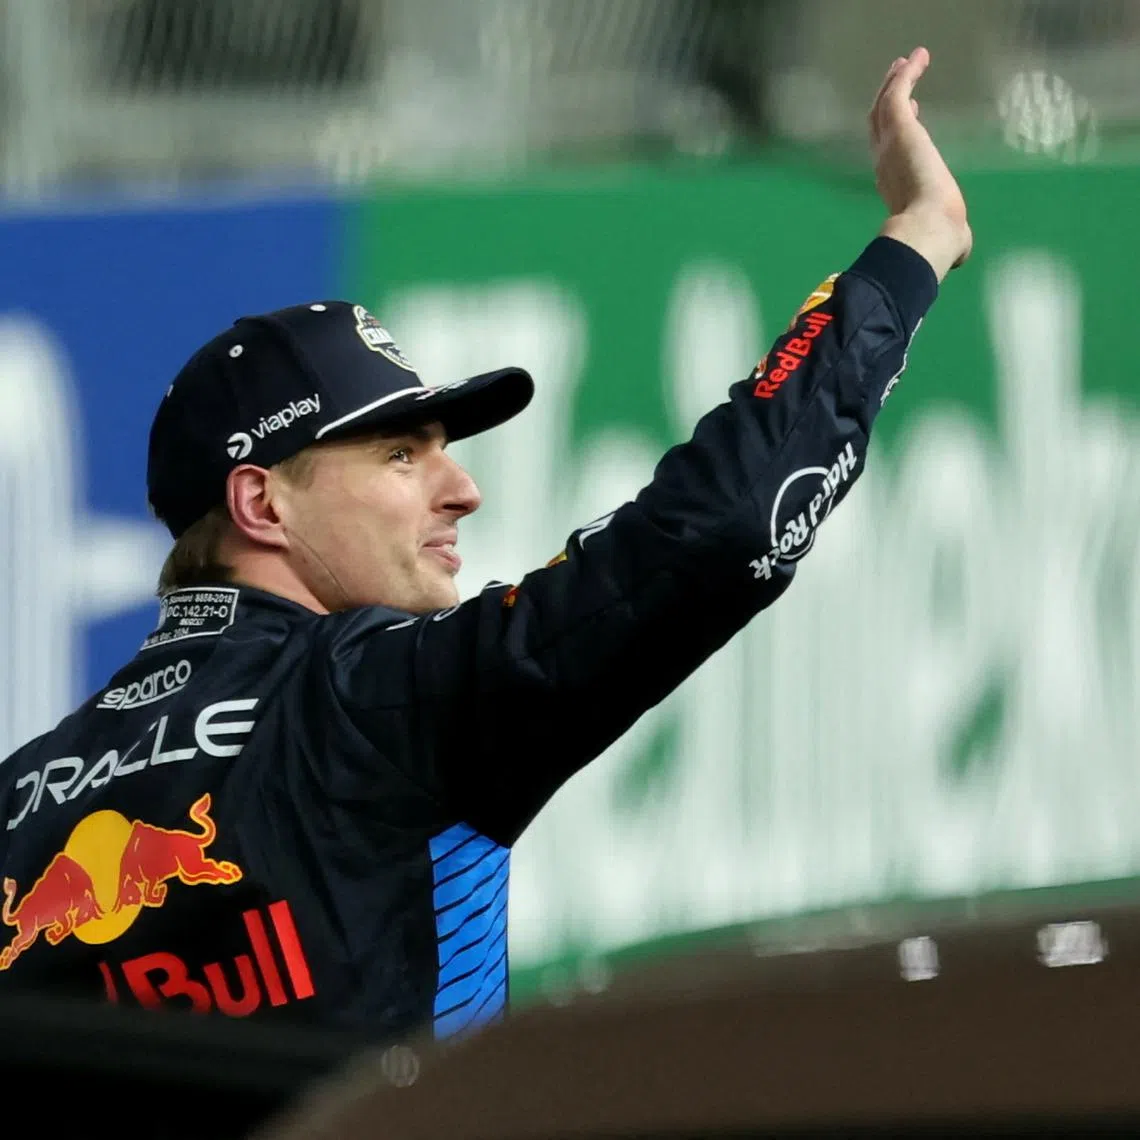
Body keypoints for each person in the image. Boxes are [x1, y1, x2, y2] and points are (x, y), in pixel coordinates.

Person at [0, 48, 970, 1040]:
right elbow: (722, 528)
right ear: (261, 503)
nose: (461, 490)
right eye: (399, 455)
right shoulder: (374, 699)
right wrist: (913, 247)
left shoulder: (19, 805)